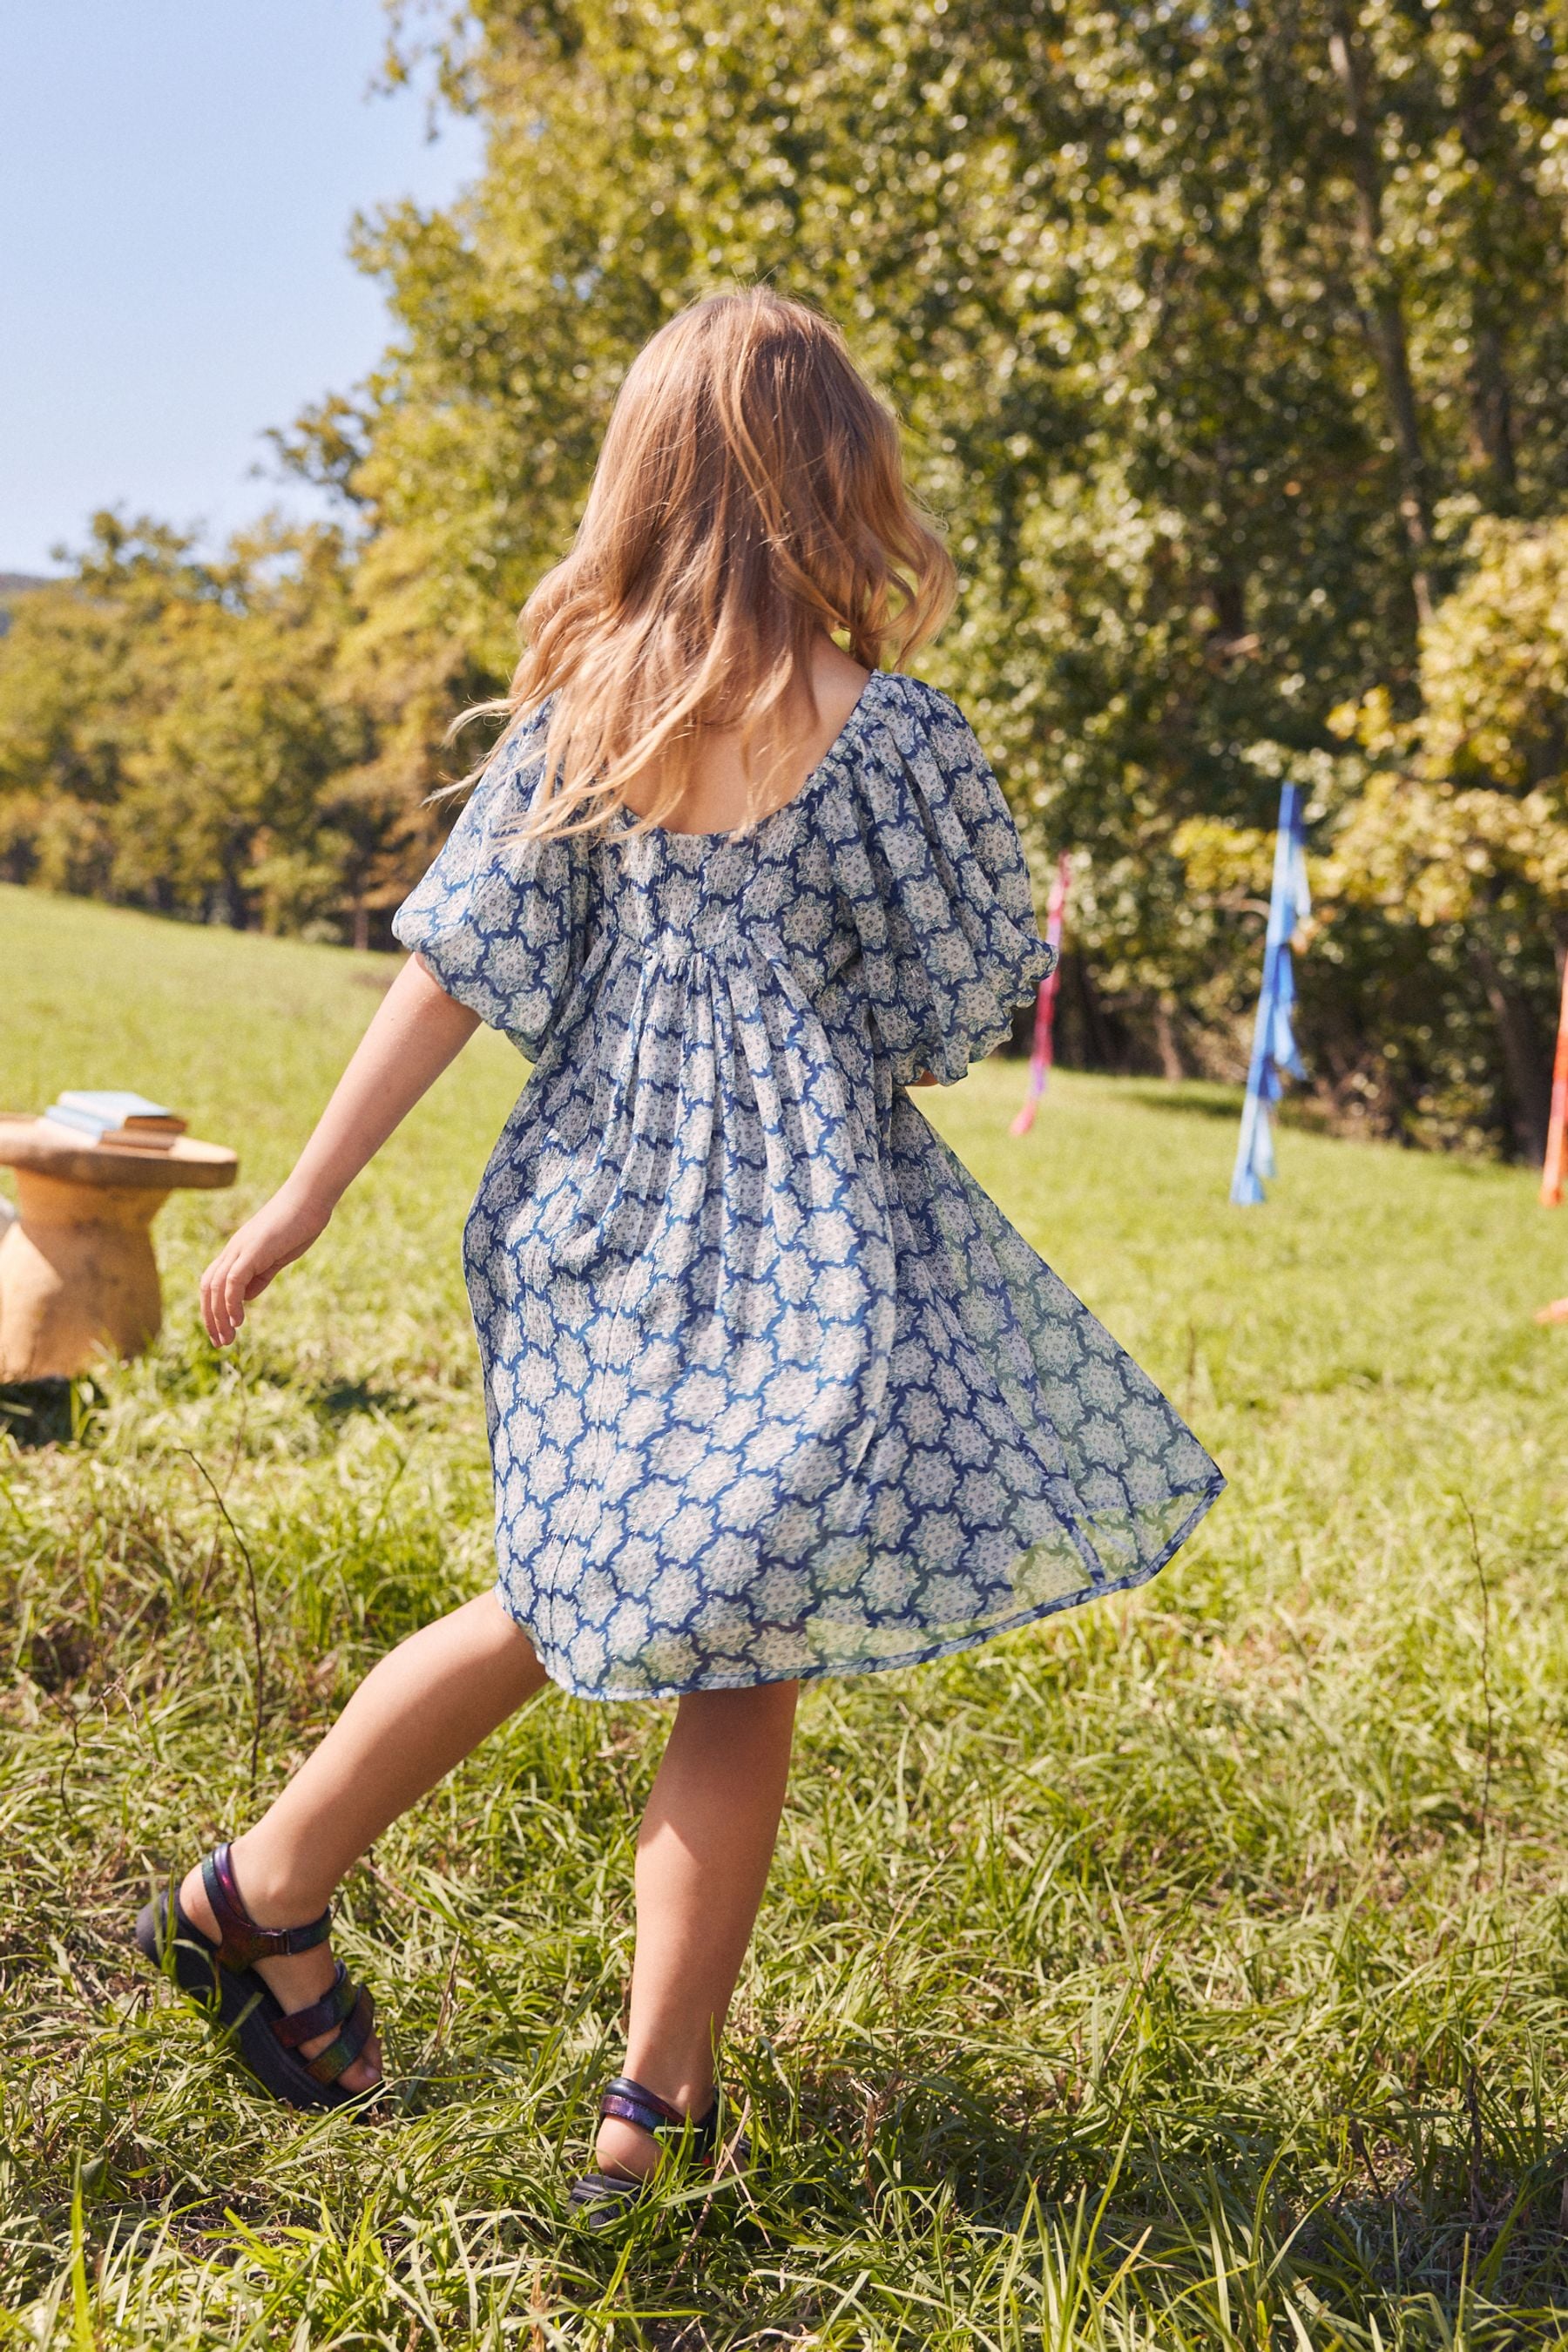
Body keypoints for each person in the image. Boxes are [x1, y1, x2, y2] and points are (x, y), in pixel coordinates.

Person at [135, 288, 1223, 2221]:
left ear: (646, 484)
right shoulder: (891, 746)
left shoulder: (587, 726)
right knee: (694, 1637)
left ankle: (458, 2000)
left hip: (599, 1223)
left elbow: (449, 972)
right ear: (840, 487)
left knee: (626, 1607)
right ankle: (420, 1977)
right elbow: (968, 994)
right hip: (805, 1252)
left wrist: (312, 1194)